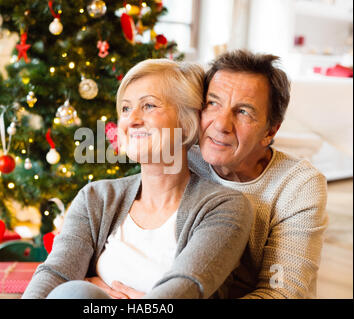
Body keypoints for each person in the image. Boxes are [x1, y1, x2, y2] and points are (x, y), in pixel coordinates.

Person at [22, 59, 253, 299]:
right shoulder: (96, 198)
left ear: (187, 121)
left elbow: (185, 287)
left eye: (149, 106)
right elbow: (56, 273)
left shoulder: (224, 207)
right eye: (125, 108)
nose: (131, 120)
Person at [187, 50, 328, 298]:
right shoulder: (183, 161)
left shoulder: (298, 185)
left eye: (243, 112)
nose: (221, 125)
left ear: (270, 131)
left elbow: (281, 290)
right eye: (213, 103)